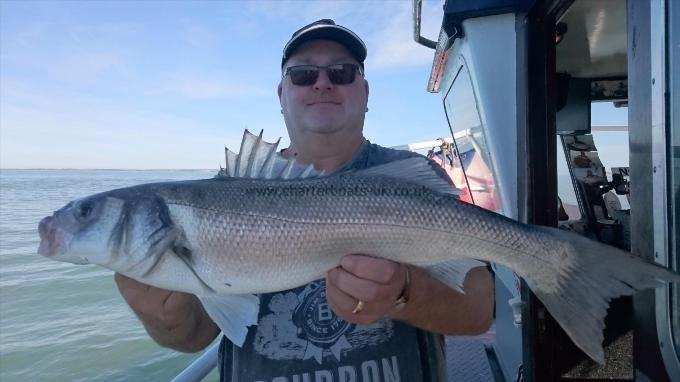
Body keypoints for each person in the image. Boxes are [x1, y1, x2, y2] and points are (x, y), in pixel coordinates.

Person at [115, 19, 494, 381]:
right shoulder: (228, 194)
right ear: (282, 95)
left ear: (365, 92)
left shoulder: (415, 180)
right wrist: (164, 318)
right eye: (303, 75)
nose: (323, 84)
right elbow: (194, 336)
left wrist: (405, 292)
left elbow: (480, 310)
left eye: (342, 73)